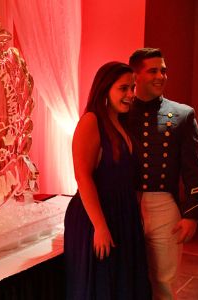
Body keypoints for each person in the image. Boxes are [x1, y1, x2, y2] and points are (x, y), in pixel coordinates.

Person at [124, 48, 198, 300]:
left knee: (164, 282)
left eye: (163, 70)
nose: (161, 75)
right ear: (135, 76)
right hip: (125, 205)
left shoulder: (183, 114)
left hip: (163, 206)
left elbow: (195, 169)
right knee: (127, 278)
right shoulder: (120, 113)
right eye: (153, 70)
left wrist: (192, 214)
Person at [64, 61, 149, 299]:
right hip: (97, 215)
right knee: (101, 286)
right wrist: (100, 227)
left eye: (132, 88)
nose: (131, 94)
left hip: (123, 213)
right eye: (123, 88)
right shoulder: (91, 121)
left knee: (122, 283)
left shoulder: (122, 123)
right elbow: (83, 177)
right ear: (105, 89)